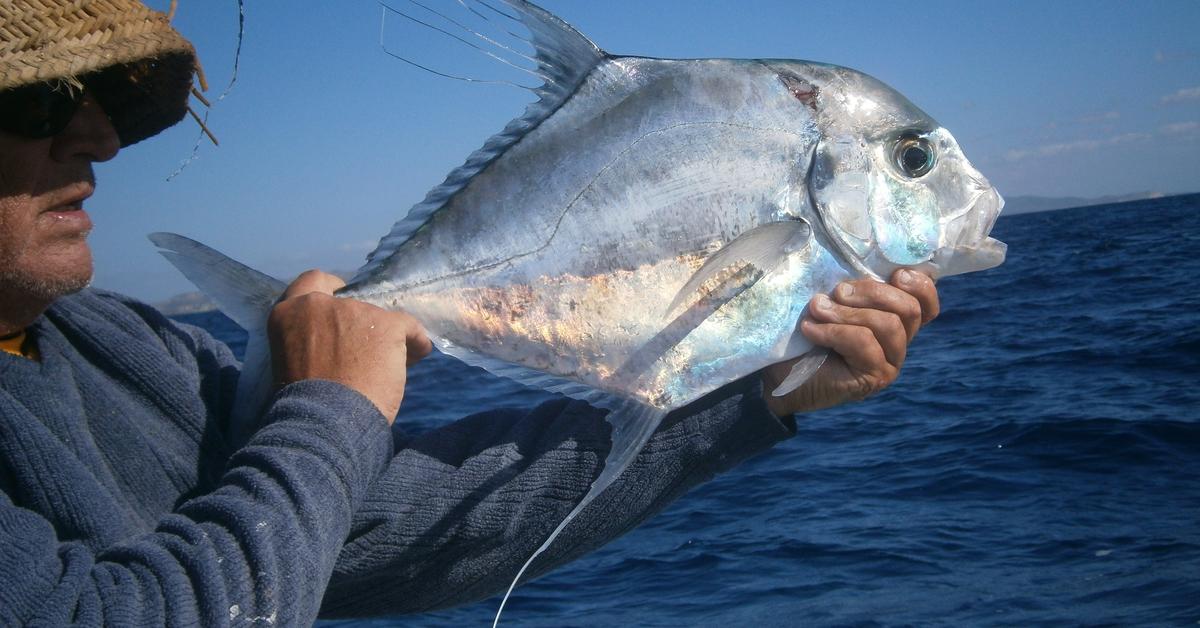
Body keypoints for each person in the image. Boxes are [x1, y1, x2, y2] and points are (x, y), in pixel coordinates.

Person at [0, 1, 941, 624]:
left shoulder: (112, 347)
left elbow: (361, 533)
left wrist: (757, 400)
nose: (102, 137)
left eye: (105, 103)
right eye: (45, 101)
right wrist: (330, 406)